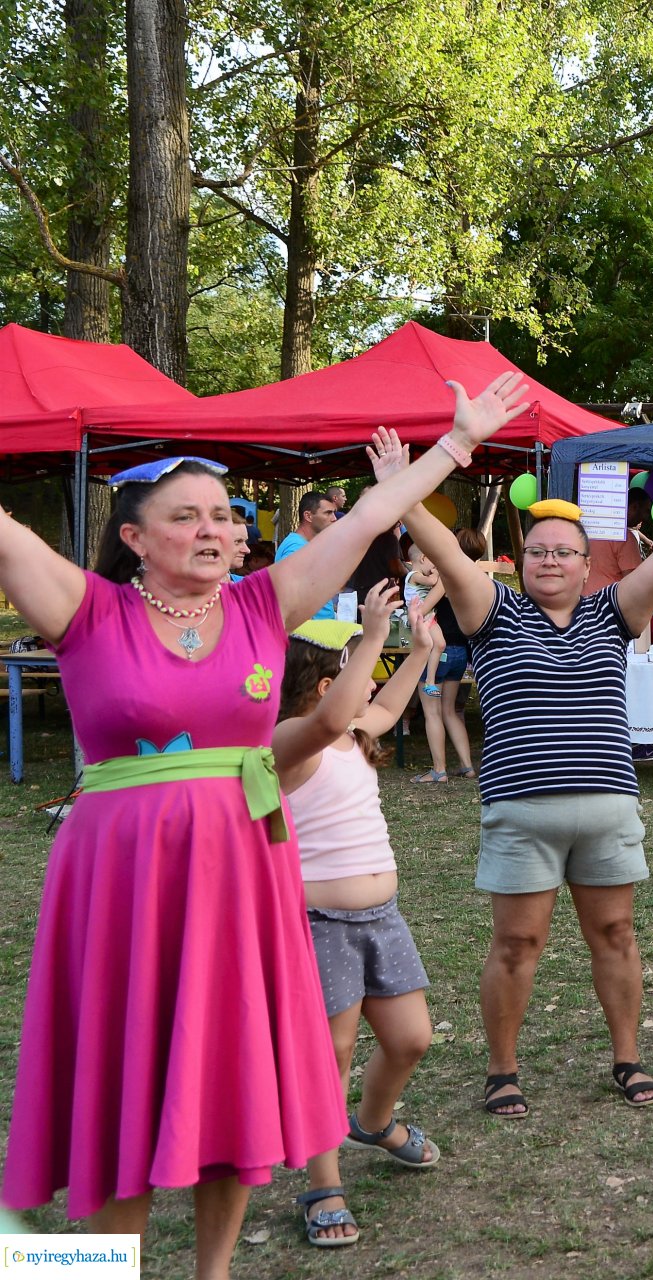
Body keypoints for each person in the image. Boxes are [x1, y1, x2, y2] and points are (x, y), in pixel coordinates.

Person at [0, 371, 531, 1276]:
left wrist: (457, 444)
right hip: (121, 878)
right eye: (187, 517)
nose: (215, 531)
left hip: (239, 875)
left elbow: (366, 519)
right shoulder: (87, 610)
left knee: (226, 1085)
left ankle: (214, 1271)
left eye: (225, 515)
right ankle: (104, 1270)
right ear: (132, 538)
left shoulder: (259, 605)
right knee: (126, 1086)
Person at [386, 440, 653, 1118]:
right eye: (538, 551)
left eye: (564, 552)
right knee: (516, 944)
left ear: (587, 566)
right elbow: (449, 553)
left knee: (616, 936)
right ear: (520, 563)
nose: (550, 560)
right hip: (521, 812)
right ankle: (502, 1069)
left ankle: (628, 1057)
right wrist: (406, 489)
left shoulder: (612, 612)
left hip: (606, 809)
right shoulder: (493, 613)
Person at [274, 583, 443, 1248]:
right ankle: (323, 1183)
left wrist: (419, 653)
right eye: (350, 664)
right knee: (332, 1052)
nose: (365, 674)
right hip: (321, 925)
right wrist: (372, 632)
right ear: (319, 683)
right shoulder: (290, 740)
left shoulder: (348, 731)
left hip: (383, 916)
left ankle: (370, 1124)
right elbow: (323, 724)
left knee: (410, 1039)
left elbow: (388, 705)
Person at [403, 530, 485, 782]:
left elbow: (424, 609)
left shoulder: (448, 577)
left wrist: (411, 615)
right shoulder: (477, 578)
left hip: (440, 652)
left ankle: (439, 770)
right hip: (461, 651)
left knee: (433, 713)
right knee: (450, 711)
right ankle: (467, 766)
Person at [277, 490, 342, 619]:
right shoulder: (296, 547)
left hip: (320, 631)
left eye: (333, 513)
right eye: (328, 513)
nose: (334, 518)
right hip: (310, 634)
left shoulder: (305, 545)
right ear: (308, 516)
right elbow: (286, 596)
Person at [585, 491, 651, 595]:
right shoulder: (626, 537)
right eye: (646, 511)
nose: (646, 518)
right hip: (608, 604)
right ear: (634, 507)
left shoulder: (588, 530)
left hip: (582, 602)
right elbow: (633, 583)